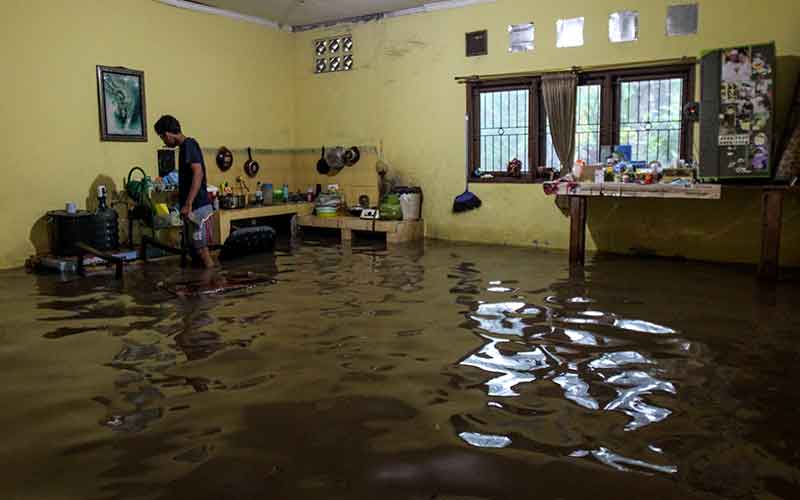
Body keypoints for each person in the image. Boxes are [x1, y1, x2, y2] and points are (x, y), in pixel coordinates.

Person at [154, 115, 216, 268]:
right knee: (194, 250)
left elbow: (198, 173)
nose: (164, 142)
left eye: (162, 138)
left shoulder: (189, 145)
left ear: (168, 134)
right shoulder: (184, 148)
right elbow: (192, 177)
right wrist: (180, 194)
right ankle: (201, 285)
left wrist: (188, 203)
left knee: (202, 250)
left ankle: (213, 282)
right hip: (193, 208)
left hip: (198, 208)